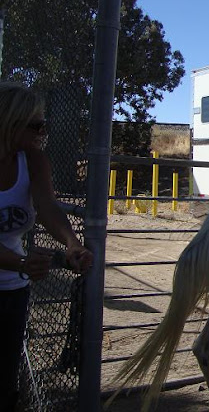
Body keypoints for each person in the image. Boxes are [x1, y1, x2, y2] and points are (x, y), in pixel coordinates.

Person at [0, 84, 93, 412]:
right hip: (16, 273)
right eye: (37, 126)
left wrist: (71, 244)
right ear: (10, 124)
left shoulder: (34, 161)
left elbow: (47, 208)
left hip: (13, 289)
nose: (44, 133)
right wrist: (23, 263)